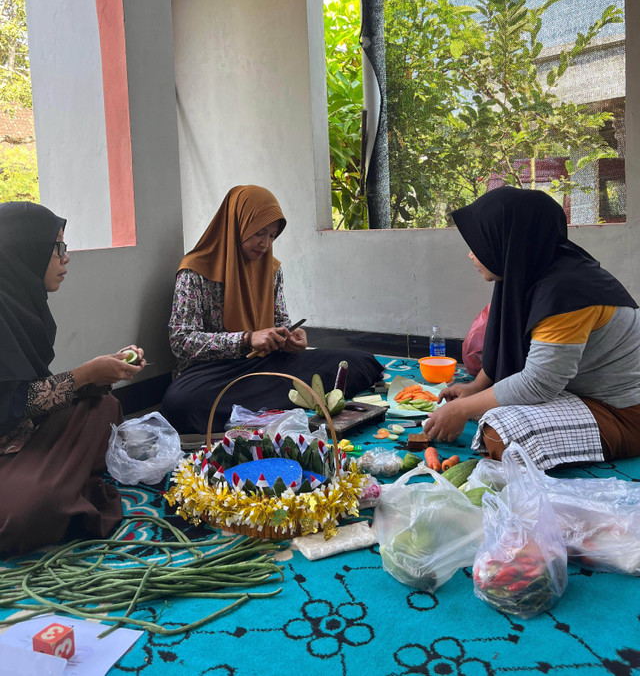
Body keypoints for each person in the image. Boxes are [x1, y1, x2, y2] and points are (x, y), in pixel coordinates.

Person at [422, 186, 640, 470]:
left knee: (500, 436)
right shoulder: (529, 273)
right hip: (574, 393)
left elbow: (539, 383)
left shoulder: (568, 292)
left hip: (621, 413)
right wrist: (476, 388)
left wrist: (462, 408)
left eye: (479, 242)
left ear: (508, 242)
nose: (471, 255)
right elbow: (510, 344)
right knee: (488, 409)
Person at [162, 185, 383, 434]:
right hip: (212, 374)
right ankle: (273, 409)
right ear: (237, 225)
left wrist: (290, 339)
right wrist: (246, 339)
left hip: (265, 366)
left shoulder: (271, 269)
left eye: (272, 236)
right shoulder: (195, 271)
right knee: (179, 404)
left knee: (361, 362)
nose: (265, 244)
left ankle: (255, 413)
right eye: (259, 233)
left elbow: (280, 322)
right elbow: (181, 340)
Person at [0, 201, 146, 555]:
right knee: (24, 513)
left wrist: (104, 371)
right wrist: (85, 373)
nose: (66, 258)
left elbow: (29, 393)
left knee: (104, 404)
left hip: (24, 432)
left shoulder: (20, 304)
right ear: (26, 251)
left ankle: (58, 478)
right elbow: (10, 404)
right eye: (58, 248)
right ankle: (57, 484)